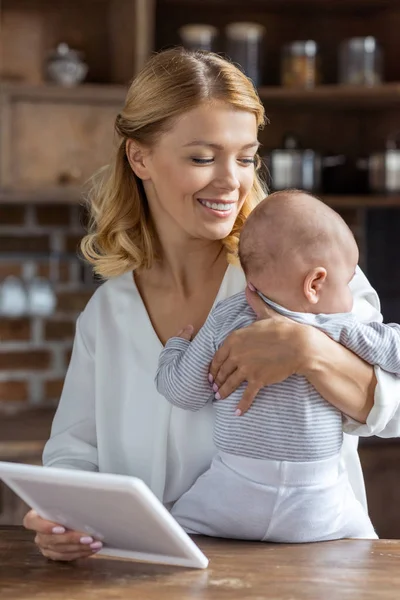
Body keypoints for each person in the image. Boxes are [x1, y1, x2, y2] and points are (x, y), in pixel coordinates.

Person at [22, 48, 400, 562]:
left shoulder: (306, 278)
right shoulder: (109, 312)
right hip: (160, 576)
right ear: (140, 158)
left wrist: (309, 350)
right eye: (203, 157)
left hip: (314, 571)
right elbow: (73, 452)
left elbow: (393, 409)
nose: (231, 181)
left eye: (245, 157)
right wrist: (62, 519)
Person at [156, 189, 400, 542]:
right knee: (366, 551)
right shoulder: (340, 326)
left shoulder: (226, 318)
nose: (350, 294)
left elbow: (182, 392)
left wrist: (175, 348)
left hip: (232, 492)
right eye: (348, 282)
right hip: (319, 501)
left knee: (175, 534)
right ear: (315, 283)